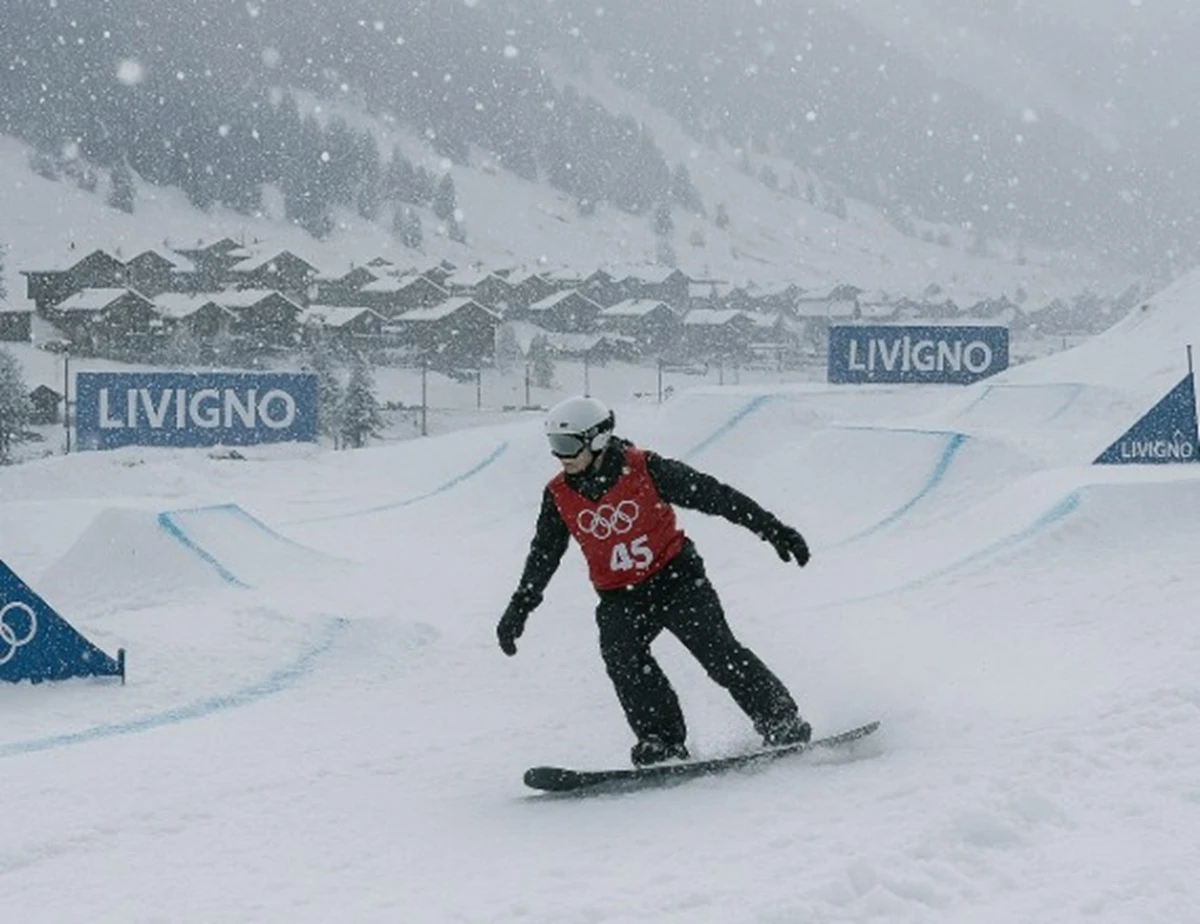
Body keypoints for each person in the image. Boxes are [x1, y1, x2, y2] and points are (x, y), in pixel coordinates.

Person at [496, 395, 813, 767]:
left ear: (597, 439)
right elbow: (544, 553)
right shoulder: (559, 495)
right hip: (620, 598)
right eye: (554, 446)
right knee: (623, 659)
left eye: (567, 445)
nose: (560, 456)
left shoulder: (645, 469)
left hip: (677, 581)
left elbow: (716, 496)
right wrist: (521, 606)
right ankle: (661, 741)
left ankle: (781, 721)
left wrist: (772, 529)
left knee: (717, 651)